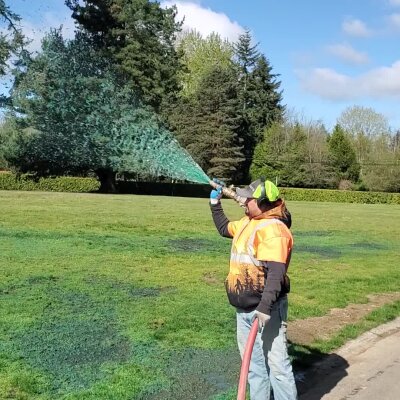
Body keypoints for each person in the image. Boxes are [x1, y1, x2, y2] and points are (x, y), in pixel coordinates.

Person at [210, 178, 297, 400]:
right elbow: (223, 228)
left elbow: (276, 273)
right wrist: (215, 204)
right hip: (244, 311)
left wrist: (265, 308)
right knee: (254, 367)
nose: (244, 200)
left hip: (265, 311)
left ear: (263, 202)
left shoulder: (273, 229)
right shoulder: (248, 222)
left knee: (277, 368)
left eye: (249, 198)